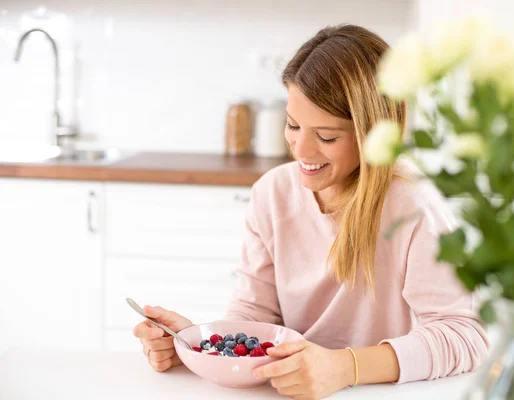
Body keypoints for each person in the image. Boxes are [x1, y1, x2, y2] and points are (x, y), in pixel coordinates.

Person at [133, 24, 489, 399]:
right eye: (293, 125)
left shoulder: (413, 206)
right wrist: (199, 347)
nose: (301, 150)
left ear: (373, 132)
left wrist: (343, 367)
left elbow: (462, 335)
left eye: (327, 136)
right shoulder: (272, 193)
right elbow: (255, 314)